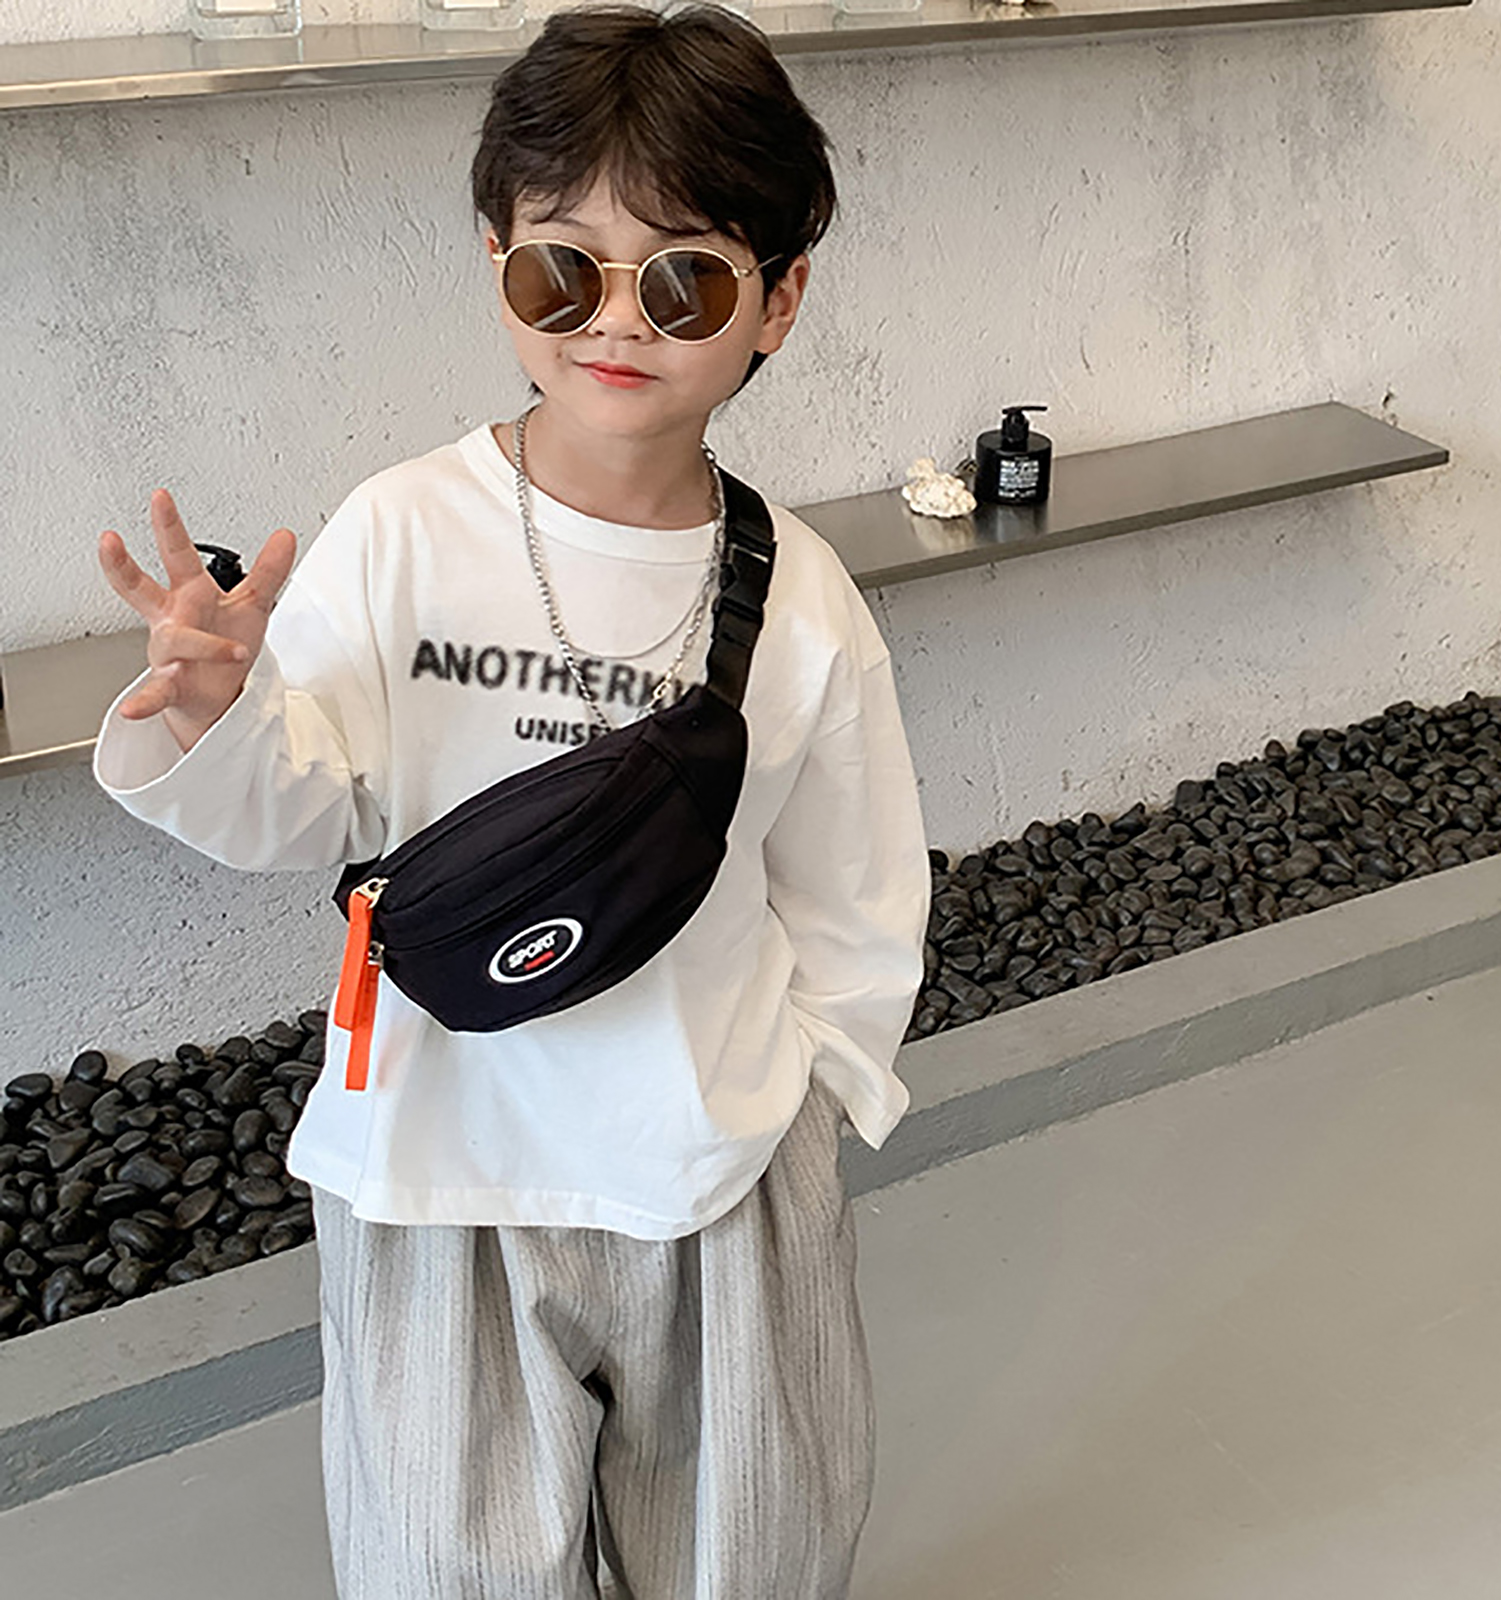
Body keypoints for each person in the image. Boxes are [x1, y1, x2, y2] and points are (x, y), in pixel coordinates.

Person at [91, 5, 931, 1598]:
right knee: (446, 1566)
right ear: (497, 262)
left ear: (779, 299)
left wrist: (812, 1109)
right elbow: (302, 811)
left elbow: (857, 892)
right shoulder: (401, 532)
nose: (616, 322)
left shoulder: (804, 595)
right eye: (562, 271)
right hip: (437, 1164)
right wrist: (216, 711)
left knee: (746, 1558)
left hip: (711, 1167)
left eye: (682, 281)